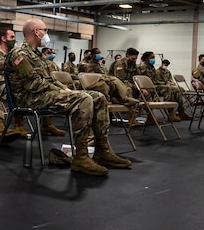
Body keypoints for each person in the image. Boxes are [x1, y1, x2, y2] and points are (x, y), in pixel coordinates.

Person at [7, 19, 131, 175]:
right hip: (30, 98)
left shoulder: (36, 55)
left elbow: (48, 80)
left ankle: (102, 150)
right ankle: (81, 157)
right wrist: (66, 92)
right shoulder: (20, 54)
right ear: (35, 32)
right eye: (45, 30)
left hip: (43, 94)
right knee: (83, 99)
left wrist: (64, 88)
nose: (46, 34)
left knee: (98, 97)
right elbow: (33, 85)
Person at [140, 51, 189, 121]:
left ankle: (181, 112)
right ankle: (170, 113)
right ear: (147, 58)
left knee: (175, 89)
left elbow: (155, 80)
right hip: (149, 87)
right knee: (167, 88)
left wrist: (167, 83)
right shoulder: (144, 67)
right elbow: (146, 80)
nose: (153, 59)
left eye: (154, 57)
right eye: (152, 57)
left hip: (154, 85)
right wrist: (164, 84)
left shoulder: (151, 67)